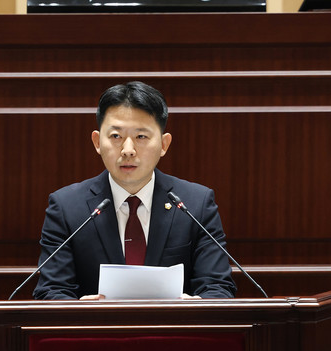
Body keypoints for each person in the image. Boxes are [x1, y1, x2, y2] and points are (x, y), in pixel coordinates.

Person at [32, 81, 236, 300]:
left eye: (141, 137)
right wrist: (82, 311)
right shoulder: (66, 207)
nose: (128, 150)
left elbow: (218, 288)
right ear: (97, 141)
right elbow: (50, 291)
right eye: (116, 136)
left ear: (164, 144)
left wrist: (193, 307)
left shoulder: (196, 204)